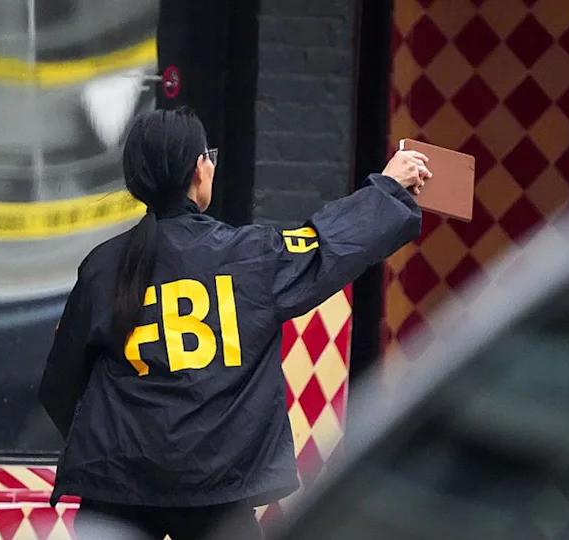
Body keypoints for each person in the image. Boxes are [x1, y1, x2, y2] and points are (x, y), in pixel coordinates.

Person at [39, 107, 431, 540]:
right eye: (209, 156)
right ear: (199, 170)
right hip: (216, 485)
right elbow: (326, 245)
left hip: (116, 486)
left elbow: (60, 384)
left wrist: (108, 445)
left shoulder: (101, 267)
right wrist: (387, 188)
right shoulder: (248, 255)